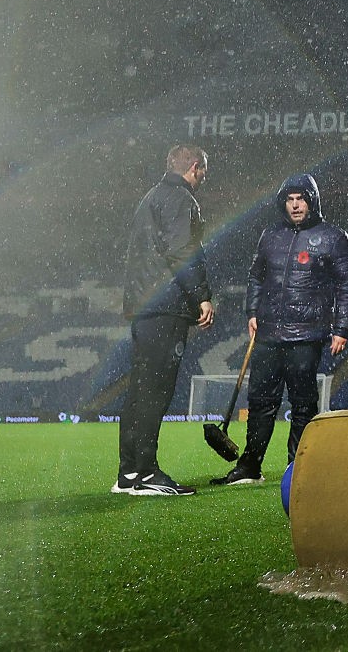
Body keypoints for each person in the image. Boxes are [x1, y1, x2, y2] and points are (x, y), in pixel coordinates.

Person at [211, 173, 348, 485]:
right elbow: (256, 275)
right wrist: (252, 311)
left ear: (312, 201)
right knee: (261, 400)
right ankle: (250, 466)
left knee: (303, 402)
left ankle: (299, 468)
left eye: (300, 199)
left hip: (308, 334)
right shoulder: (270, 235)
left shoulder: (333, 237)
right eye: (290, 200)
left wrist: (342, 328)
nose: (295, 205)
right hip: (268, 333)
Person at [115, 144, 215, 496]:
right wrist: (201, 295)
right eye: (203, 169)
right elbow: (181, 250)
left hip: (144, 306)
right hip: (165, 305)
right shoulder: (179, 198)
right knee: (155, 390)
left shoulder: (153, 196)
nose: (204, 176)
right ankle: (145, 472)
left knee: (140, 390)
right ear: (194, 166)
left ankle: (128, 473)